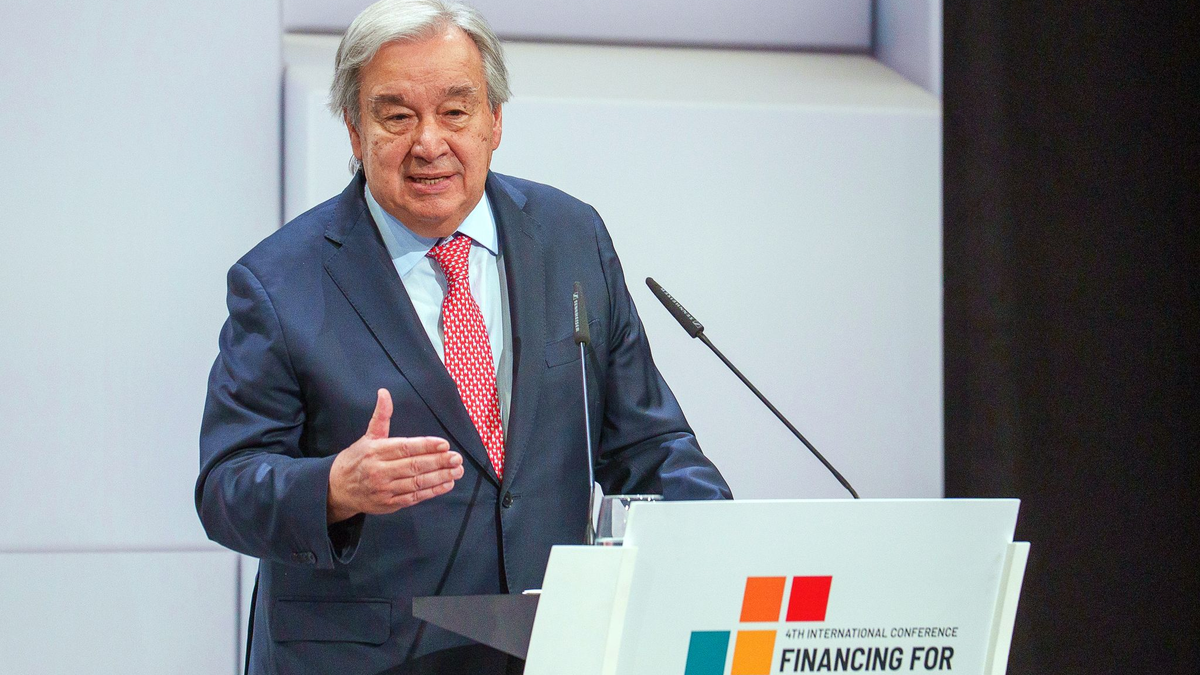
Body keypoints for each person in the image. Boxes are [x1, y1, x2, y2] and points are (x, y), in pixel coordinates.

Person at [195, 0, 730, 672]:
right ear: (355, 131)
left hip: (548, 649)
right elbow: (227, 485)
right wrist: (333, 486)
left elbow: (649, 445)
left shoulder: (571, 238)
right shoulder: (280, 281)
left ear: (495, 120)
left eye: (455, 111)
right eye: (397, 116)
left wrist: (726, 544)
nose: (429, 143)